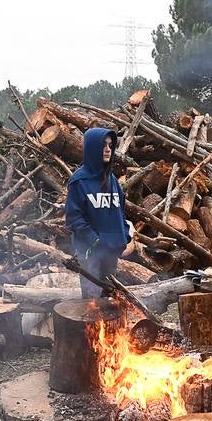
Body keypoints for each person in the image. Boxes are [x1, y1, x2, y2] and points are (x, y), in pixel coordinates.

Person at [64, 126, 132, 298]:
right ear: (93, 147)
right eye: (103, 145)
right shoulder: (80, 181)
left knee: (110, 298)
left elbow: (120, 213)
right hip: (89, 253)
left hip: (111, 252)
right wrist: (95, 241)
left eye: (110, 145)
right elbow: (74, 218)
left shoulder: (112, 181)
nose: (108, 149)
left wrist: (124, 235)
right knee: (92, 302)